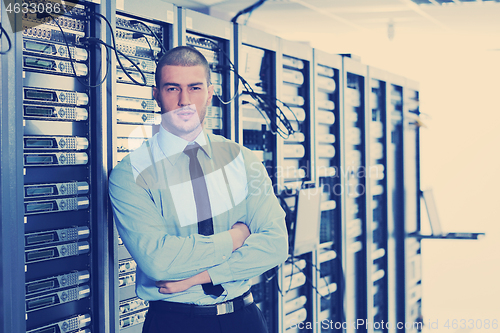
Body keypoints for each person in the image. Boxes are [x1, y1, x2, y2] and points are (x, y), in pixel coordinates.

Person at [109, 45, 288, 333]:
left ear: (209, 92)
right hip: (174, 322)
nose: (184, 101)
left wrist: (195, 278)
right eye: (172, 89)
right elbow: (159, 261)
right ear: (155, 95)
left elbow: (275, 245)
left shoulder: (242, 160)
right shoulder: (131, 174)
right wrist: (236, 237)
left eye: (194, 88)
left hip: (244, 319)